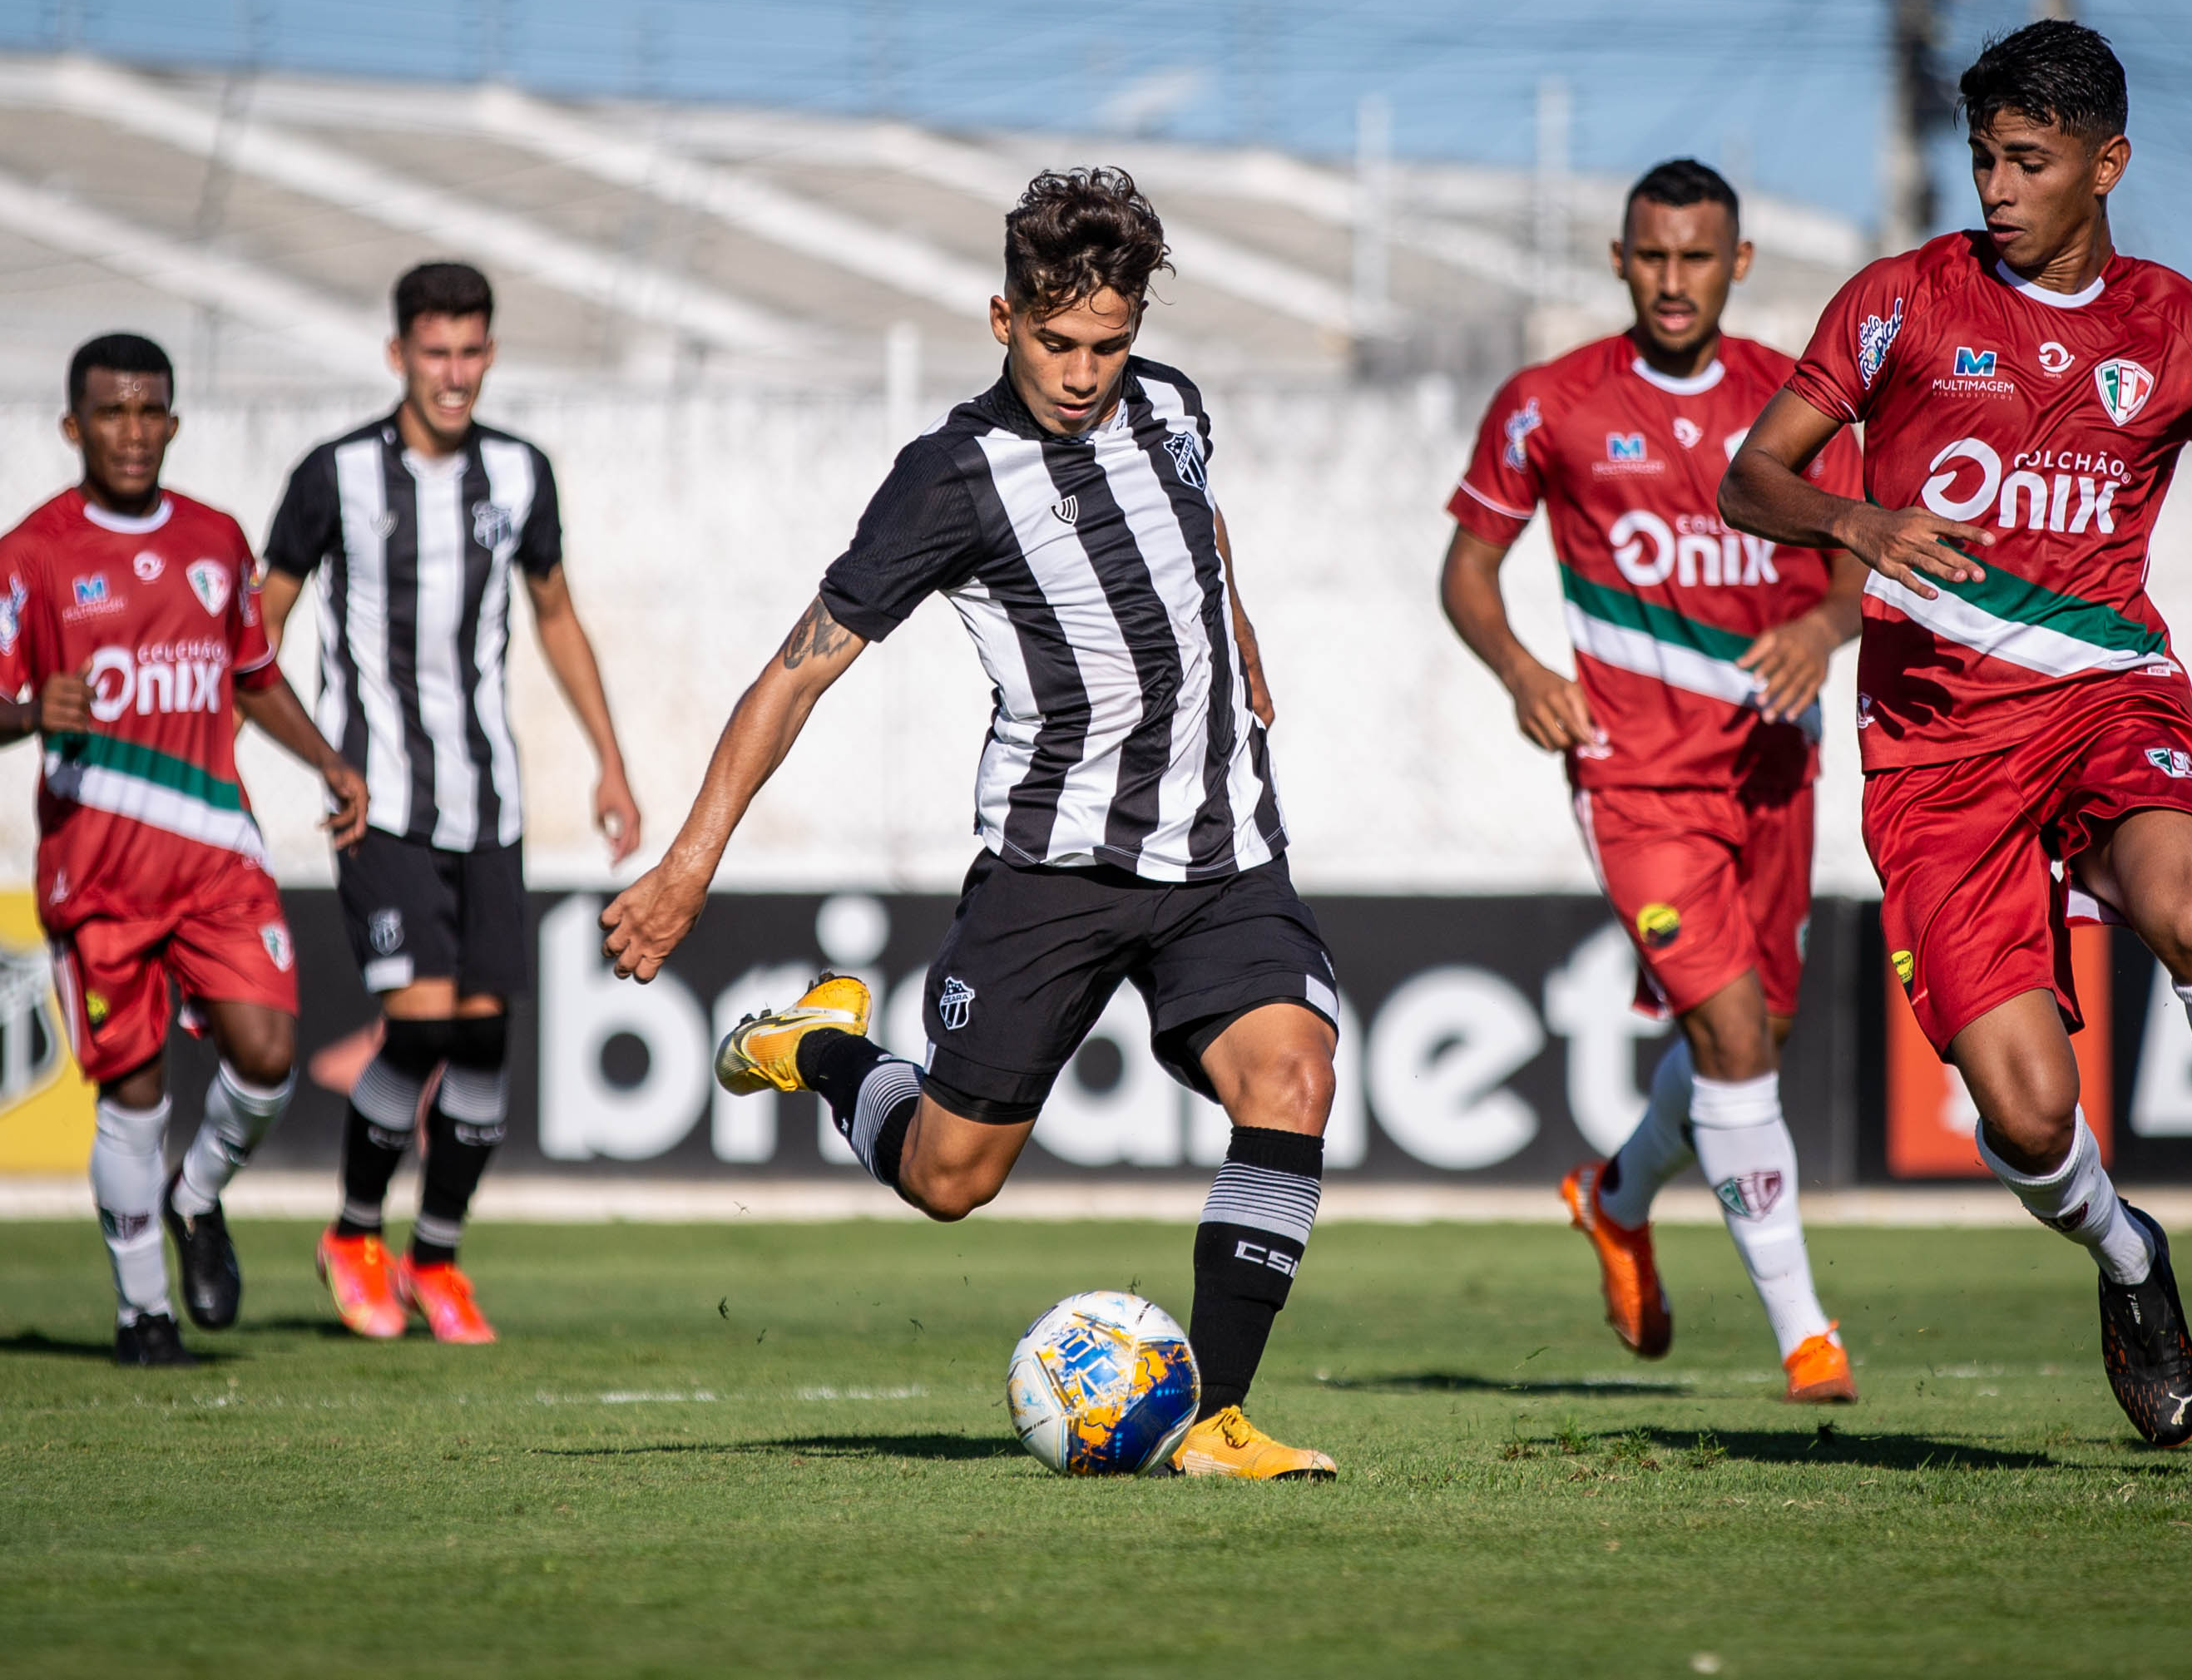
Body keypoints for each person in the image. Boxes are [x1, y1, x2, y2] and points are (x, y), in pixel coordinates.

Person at [1719, 20, 2192, 1447]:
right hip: (1936, 753)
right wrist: (1856, 521)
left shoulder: (2182, 330)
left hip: (2109, 696)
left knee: (2188, 904)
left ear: (2106, 164)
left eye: (2028, 161)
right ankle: (2125, 1251)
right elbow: (1750, 478)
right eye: (1983, 156)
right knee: (2032, 1116)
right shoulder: (1897, 303)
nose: (1995, 187)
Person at [601, 168, 1341, 1480]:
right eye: (1056, 343)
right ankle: (821, 1049)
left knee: (1293, 1078)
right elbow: (796, 672)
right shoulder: (950, 478)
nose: (1084, 373)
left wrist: (1243, 640)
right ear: (1003, 318)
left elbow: (1202, 522)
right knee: (950, 1177)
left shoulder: (1173, 404)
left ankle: (1215, 1420)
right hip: (1054, 870)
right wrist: (686, 866)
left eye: (1109, 344)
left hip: (1222, 851)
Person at [1442, 160, 1867, 1402]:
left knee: (1756, 1038)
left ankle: (1618, 1198)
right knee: (1730, 1036)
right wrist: (1523, 671)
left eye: (1697, 257)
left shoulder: (1800, 405)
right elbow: (1467, 573)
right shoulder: (1550, 404)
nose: (1673, 280)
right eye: (1652, 256)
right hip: (1633, 780)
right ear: (1619, 260)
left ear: (1739, 264)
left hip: (1773, 765)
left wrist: (1821, 627)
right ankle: (1806, 1335)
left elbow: (1858, 564)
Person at [0, 334, 369, 1366]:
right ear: (73, 425)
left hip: (217, 851)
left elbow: (251, 673)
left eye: (149, 412)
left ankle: (197, 1193)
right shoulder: (32, 554)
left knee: (268, 1058)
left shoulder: (215, 539)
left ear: (172, 422)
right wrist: (30, 710)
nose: (133, 432)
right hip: (98, 873)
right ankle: (143, 1315)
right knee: (135, 1094)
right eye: (111, 413)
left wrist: (327, 760)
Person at [261, 263, 641, 1345]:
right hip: (376, 798)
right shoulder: (334, 476)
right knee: (421, 1021)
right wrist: (292, 758)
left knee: (482, 1041)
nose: (455, 372)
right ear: (399, 357)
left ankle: (434, 1257)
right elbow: (255, 631)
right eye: (436, 352)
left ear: (490, 354)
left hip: (489, 799)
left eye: (472, 351)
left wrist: (609, 761)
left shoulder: (518, 474)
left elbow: (556, 615)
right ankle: (353, 1234)